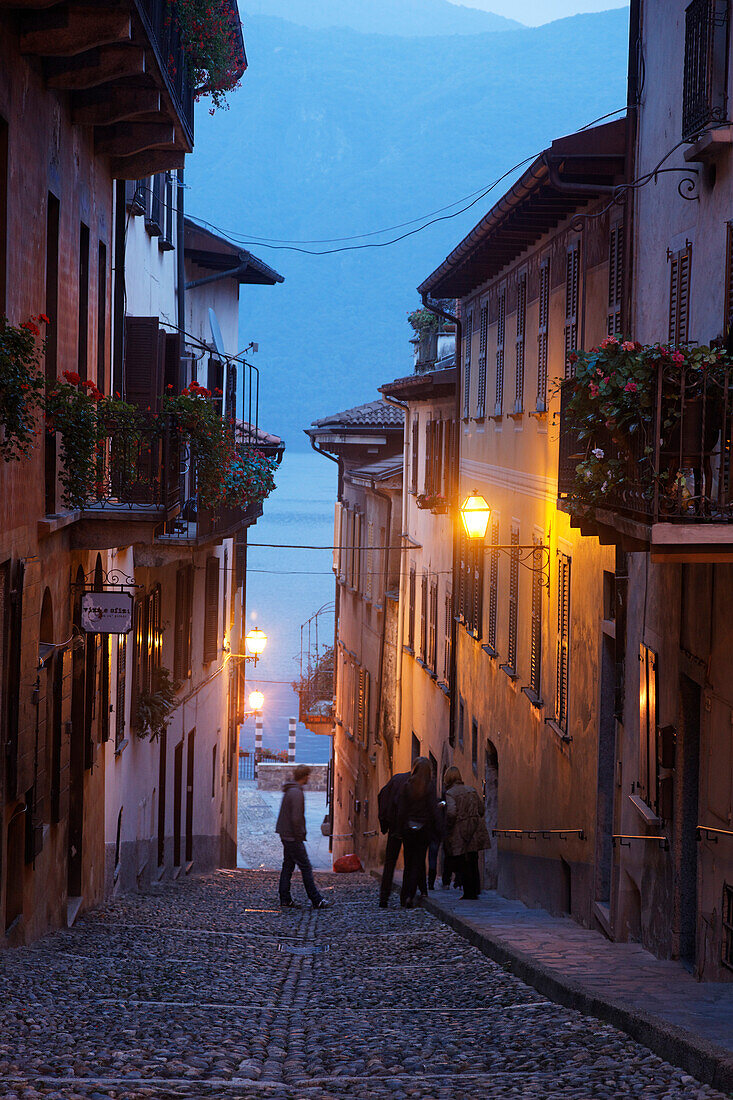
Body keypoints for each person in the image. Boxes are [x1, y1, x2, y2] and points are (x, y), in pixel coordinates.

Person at [276, 764, 329, 909]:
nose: (308, 778)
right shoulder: (297, 793)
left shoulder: (290, 790)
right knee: (305, 867)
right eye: (308, 776)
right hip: (293, 837)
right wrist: (300, 836)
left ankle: (285, 898)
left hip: (285, 834)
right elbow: (296, 818)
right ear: (304, 776)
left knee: (288, 866)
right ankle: (316, 899)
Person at [396, 757, 440, 908]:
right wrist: (439, 829)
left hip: (408, 829)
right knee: (418, 862)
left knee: (409, 863)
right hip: (423, 830)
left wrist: (400, 828)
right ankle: (410, 895)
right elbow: (433, 809)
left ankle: (405, 896)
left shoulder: (407, 785)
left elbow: (401, 810)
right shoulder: (429, 786)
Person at [443, 766, 491, 900]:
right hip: (475, 828)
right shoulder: (471, 790)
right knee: (473, 858)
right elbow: (481, 809)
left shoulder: (451, 793)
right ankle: (475, 890)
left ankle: (468, 892)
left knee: (463, 861)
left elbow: (451, 812)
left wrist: (449, 826)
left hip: (460, 830)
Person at [377, 769, 410, 908]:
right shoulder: (416, 783)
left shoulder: (396, 780)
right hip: (410, 828)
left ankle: (384, 897)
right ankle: (406, 897)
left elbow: (382, 797)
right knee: (411, 862)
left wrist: (385, 824)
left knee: (389, 863)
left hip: (394, 828)